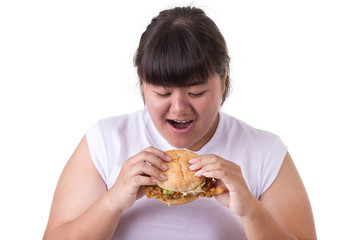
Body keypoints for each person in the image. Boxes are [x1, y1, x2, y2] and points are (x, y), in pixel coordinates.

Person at [43, 6, 317, 240]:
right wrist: (112, 201)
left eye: (195, 93)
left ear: (223, 80)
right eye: (162, 92)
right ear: (142, 84)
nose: (179, 107)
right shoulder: (105, 140)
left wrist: (251, 210)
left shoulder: (265, 151)